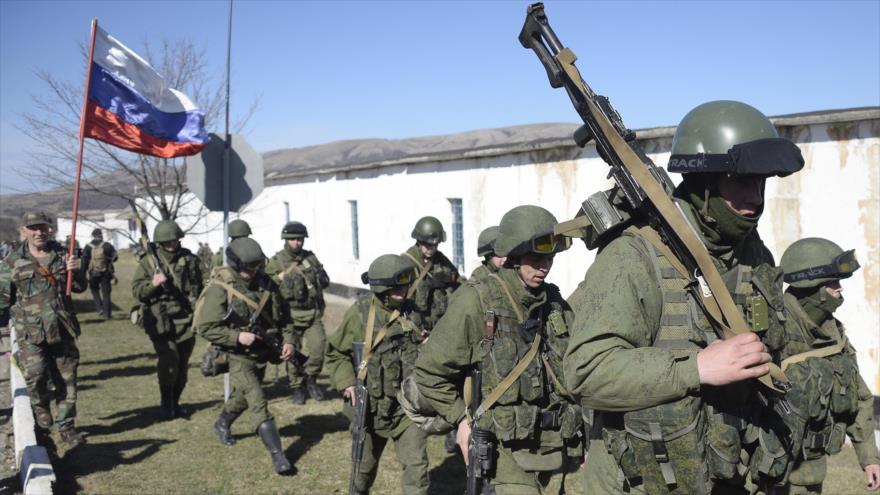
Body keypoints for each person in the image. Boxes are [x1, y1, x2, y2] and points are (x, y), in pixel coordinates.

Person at [562, 100, 806, 494]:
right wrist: (696, 368)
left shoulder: (752, 255)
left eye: (762, 182)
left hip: (724, 472)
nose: (756, 199)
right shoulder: (635, 256)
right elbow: (586, 372)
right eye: (741, 181)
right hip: (639, 482)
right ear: (704, 181)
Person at [414, 205, 585, 494]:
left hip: (546, 445)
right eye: (536, 257)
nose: (545, 266)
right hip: (500, 446)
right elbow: (429, 372)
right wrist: (461, 419)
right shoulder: (477, 301)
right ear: (514, 256)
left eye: (551, 257)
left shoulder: (552, 301)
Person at [777, 238, 880, 493]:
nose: (840, 289)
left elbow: (860, 398)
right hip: (769, 475)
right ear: (813, 287)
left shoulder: (834, 335)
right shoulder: (774, 332)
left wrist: (869, 458)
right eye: (833, 282)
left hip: (811, 472)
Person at [324, 254, 428, 495]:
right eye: (398, 285)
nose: (405, 289)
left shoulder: (412, 313)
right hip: (370, 410)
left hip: (406, 409)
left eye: (406, 283)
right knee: (362, 472)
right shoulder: (359, 314)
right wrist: (346, 383)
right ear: (383, 288)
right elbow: (336, 353)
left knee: (417, 470)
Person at [194, 237, 295, 475]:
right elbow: (206, 327)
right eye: (248, 268)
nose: (252, 272)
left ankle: (222, 423)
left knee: (242, 396)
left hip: (262, 353)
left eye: (256, 266)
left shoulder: (267, 284)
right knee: (257, 399)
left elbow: (285, 318)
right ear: (236, 264)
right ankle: (279, 456)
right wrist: (236, 337)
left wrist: (289, 341)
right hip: (236, 355)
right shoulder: (221, 288)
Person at [0, 212, 87, 447]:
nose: (39, 232)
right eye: (33, 228)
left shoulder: (63, 255)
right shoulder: (12, 261)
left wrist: (76, 269)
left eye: (43, 227)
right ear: (25, 231)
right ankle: (40, 411)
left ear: (50, 230)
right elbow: (2, 299)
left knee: (67, 380)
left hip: (62, 327)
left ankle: (67, 428)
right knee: (36, 376)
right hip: (31, 333)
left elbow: (78, 287)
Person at [131, 219, 203, 420]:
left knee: (182, 366)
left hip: (186, 319)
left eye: (175, 240)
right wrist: (154, 284)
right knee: (169, 361)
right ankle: (166, 402)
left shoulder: (189, 259)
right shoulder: (149, 262)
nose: (172, 244)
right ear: (160, 242)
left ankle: (176, 402)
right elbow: (137, 292)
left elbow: (202, 284)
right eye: (167, 241)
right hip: (160, 320)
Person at [266, 221, 330, 404]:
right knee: (292, 354)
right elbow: (265, 285)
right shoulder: (277, 261)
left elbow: (323, 278)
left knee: (318, 349)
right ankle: (297, 387)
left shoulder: (311, 258)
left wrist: (320, 277)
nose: (297, 242)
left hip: (312, 313)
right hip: (290, 317)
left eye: (300, 239)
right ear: (286, 240)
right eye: (293, 239)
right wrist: (277, 279)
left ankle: (311, 378)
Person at [401, 216, 461, 336]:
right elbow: (400, 298)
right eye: (428, 245)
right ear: (419, 241)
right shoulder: (406, 262)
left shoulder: (440, 259)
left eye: (435, 245)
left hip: (440, 323)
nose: (431, 249)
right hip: (417, 326)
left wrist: (446, 280)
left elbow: (458, 282)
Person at [82, 228, 118, 319]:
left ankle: (99, 308)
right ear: (101, 235)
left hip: (93, 272)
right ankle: (107, 314)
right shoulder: (107, 245)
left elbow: (84, 261)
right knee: (106, 293)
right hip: (105, 272)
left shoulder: (88, 246)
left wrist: (83, 273)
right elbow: (115, 257)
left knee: (94, 290)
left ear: (93, 235)